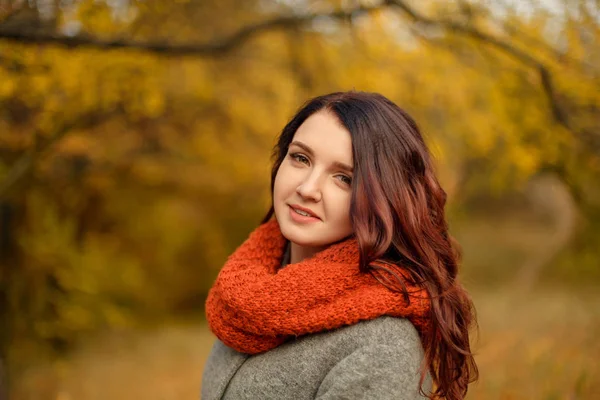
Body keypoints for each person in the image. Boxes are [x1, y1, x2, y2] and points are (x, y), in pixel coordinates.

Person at [201, 91, 478, 400]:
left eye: (344, 178)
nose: (307, 189)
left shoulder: (379, 347)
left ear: (384, 199)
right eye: (300, 158)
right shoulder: (248, 293)